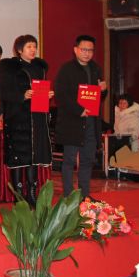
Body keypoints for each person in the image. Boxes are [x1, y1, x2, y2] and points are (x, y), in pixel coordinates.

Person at [0, 35, 54, 206]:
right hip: (18, 119)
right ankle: (18, 196)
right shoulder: (10, 68)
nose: (33, 50)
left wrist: (47, 95)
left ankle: (32, 194)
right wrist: (22, 95)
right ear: (19, 50)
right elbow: (3, 92)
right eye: (29, 46)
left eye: (34, 46)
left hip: (37, 118)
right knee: (18, 159)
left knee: (33, 157)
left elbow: (40, 90)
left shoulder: (39, 68)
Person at [55, 35, 106, 199]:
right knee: (69, 161)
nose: (87, 53)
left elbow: (98, 98)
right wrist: (79, 110)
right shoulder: (66, 69)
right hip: (72, 122)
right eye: (84, 49)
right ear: (75, 50)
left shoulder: (96, 69)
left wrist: (103, 90)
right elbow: (61, 95)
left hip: (91, 122)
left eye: (90, 50)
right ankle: (69, 197)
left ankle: (85, 195)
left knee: (87, 160)